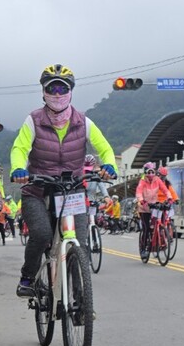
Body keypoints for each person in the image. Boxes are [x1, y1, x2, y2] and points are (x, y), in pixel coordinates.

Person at [10, 64, 117, 298]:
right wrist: (18, 168)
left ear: (70, 92)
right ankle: (27, 278)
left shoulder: (83, 122)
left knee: (79, 244)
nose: (57, 94)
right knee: (41, 234)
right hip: (38, 190)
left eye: (62, 88)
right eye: (52, 88)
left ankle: (80, 302)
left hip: (71, 191)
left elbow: (105, 149)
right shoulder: (33, 120)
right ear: (43, 92)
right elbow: (20, 148)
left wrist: (110, 165)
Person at [135, 162, 171, 256]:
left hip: (154, 206)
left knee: (156, 225)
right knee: (146, 228)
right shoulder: (142, 181)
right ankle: (143, 249)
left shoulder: (157, 180)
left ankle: (157, 244)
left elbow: (165, 190)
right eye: (149, 172)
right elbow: (138, 192)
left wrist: (169, 198)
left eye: (152, 172)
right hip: (144, 208)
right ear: (145, 172)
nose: (151, 174)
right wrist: (141, 200)